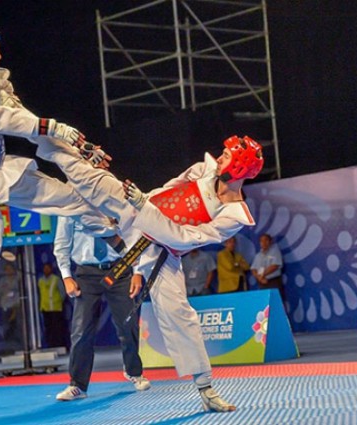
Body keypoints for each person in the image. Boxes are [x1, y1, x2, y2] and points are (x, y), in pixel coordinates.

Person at [0, 20, 111, 382]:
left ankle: (117, 236)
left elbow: (27, 122)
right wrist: (51, 126)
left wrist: (78, 146)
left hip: (1, 170)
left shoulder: (0, 82)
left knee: (71, 198)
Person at [34, 134, 264, 412]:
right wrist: (147, 200)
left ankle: (206, 389)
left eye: (227, 156)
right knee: (90, 189)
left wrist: (145, 209)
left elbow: (185, 238)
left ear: (239, 168)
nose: (220, 158)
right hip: (137, 213)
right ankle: (51, 141)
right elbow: (172, 187)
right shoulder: (205, 169)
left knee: (180, 314)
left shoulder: (234, 215)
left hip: (162, 251)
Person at [53, 216, 150, 401]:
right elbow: (62, 243)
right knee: (81, 331)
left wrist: (138, 272)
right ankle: (77, 385)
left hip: (120, 270)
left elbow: (134, 236)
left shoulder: (112, 198)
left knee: (128, 325)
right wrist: (66, 276)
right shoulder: (70, 206)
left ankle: (133, 372)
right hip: (86, 273)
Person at [37, 263, 68, 349]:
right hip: (45, 308)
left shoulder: (56, 279)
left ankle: (60, 344)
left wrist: (59, 301)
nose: (46, 270)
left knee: (58, 328)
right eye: (45, 268)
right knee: (48, 329)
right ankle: (51, 345)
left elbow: (62, 292)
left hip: (56, 308)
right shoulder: (41, 281)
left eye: (48, 268)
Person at [251, 233, 284, 299]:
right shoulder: (258, 255)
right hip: (262, 282)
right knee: (265, 304)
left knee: (276, 302)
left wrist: (262, 275)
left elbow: (275, 266)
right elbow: (253, 269)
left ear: (270, 241)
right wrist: (259, 278)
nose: (264, 243)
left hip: (273, 282)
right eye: (261, 241)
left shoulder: (275, 252)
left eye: (266, 240)